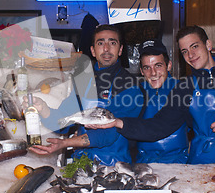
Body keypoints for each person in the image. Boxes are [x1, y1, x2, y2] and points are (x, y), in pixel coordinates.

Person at [88, 25, 215, 165]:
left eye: (194, 47)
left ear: (208, 44)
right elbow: (159, 126)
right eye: (185, 51)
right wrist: (118, 122)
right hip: (202, 162)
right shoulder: (185, 87)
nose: (191, 55)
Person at [25, 24, 142, 166]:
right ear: (93, 51)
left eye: (112, 43)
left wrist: (65, 143)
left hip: (114, 165)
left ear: (120, 49)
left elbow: (108, 134)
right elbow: (64, 122)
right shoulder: (83, 80)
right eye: (100, 43)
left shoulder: (130, 85)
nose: (106, 48)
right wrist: (43, 109)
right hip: (80, 162)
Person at [136, 39, 189, 164]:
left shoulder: (183, 90)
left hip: (179, 163)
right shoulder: (135, 93)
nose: (153, 73)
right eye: (147, 68)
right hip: (144, 164)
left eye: (158, 66)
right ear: (141, 71)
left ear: (169, 65)